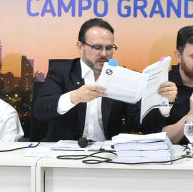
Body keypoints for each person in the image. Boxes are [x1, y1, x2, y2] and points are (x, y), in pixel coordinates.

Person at [33, 18, 177, 142]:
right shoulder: (61, 72)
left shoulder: (121, 77)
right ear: (80, 47)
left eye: (109, 48)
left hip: (106, 154)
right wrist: (74, 97)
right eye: (97, 47)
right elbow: (40, 110)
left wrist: (164, 103)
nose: (104, 54)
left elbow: (142, 124)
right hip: (64, 153)